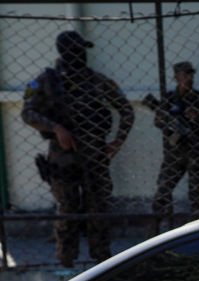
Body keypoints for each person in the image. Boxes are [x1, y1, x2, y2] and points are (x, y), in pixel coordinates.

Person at [22, 30, 134, 267]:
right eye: (76, 50)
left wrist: (117, 142)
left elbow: (126, 110)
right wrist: (56, 128)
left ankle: (102, 261)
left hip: (95, 155)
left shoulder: (97, 80)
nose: (80, 55)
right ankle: (66, 262)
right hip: (63, 157)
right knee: (67, 210)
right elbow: (28, 112)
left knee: (99, 209)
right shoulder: (46, 80)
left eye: (81, 50)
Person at [151, 61, 199, 231]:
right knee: (162, 194)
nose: (188, 78)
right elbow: (158, 121)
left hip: (196, 154)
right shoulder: (169, 99)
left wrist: (198, 117)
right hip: (174, 155)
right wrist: (171, 123)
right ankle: (155, 235)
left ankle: (196, 233)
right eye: (184, 74)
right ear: (176, 77)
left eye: (190, 74)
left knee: (197, 199)